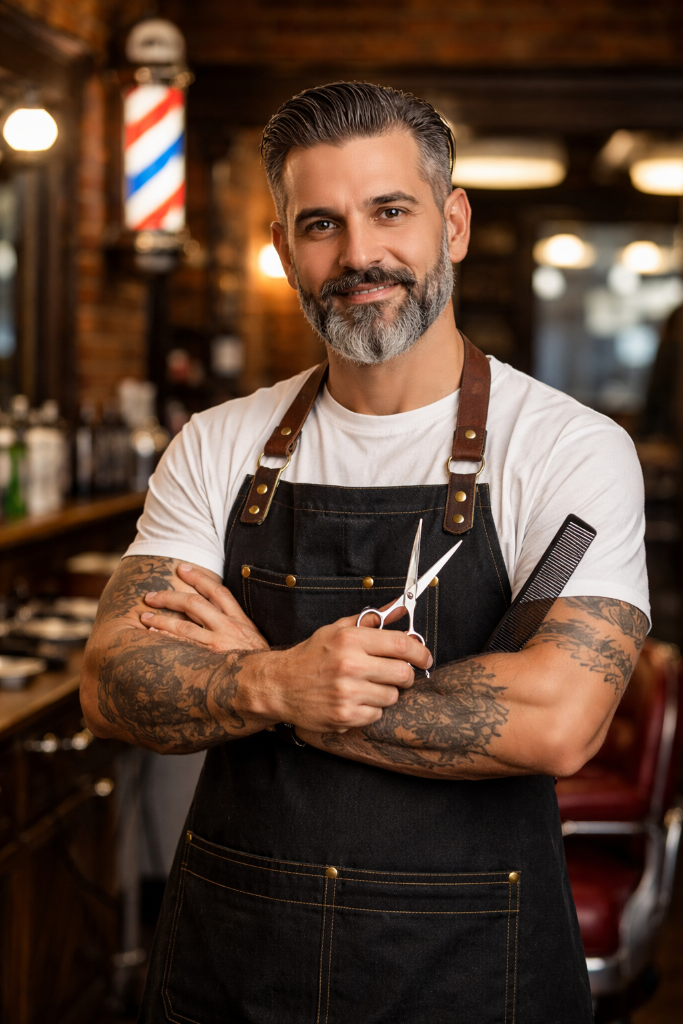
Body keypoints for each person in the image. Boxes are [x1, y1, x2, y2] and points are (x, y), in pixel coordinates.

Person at [81, 82, 649, 1023]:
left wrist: (264, 685)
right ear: (282, 250)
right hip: (237, 957)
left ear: (453, 224)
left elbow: (559, 720)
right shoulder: (219, 445)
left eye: (390, 211)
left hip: (475, 963)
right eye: (319, 224)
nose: (358, 255)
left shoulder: (567, 449)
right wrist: (279, 684)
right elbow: (112, 683)